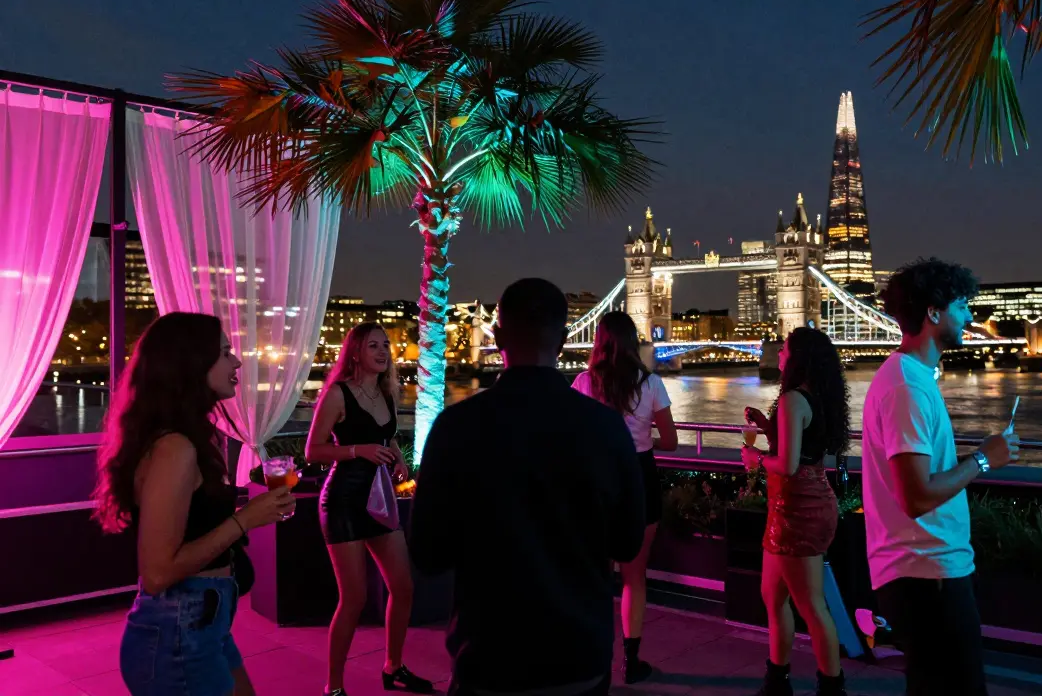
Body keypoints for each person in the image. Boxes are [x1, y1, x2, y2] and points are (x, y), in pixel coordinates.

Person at [411, 278, 645, 696]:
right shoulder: (607, 428)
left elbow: (428, 555)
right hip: (579, 657)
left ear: (497, 335)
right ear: (565, 339)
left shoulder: (454, 428)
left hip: (488, 656)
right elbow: (628, 544)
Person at [94, 312, 296, 696]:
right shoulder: (175, 448)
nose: (236, 361)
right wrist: (245, 521)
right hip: (178, 633)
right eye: (224, 353)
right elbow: (157, 573)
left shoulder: (191, 438)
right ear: (190, 364)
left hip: (204, 624)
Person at [861, 259, 1019, 696]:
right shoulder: (906, 388)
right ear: (933, 312)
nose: (970, 317)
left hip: (927, 571)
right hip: (925, 575)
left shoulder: (912, 379)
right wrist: (984, 461)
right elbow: (915, 496)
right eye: (963, 305)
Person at [306, 323, 432, 696]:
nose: (383, 352)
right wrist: (357, 451)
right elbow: (313, 450)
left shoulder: (386, 393)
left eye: (386, 346)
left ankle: (393, 667)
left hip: (378, 500)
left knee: (403, 587)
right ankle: (334, 688)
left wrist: (397, 457)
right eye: (373, 345)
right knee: (354, 599)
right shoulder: (337, 394)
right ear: (355, 352)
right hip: (343, 500)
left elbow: (386, 434)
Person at [741, 327, 851, 696]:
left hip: (797, 509)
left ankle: (832, 687)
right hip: (803, 504)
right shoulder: (816, 398)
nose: (781, 355)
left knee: (811, 605)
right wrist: (768, 426)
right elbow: (803, 448)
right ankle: (777, 679)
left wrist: (755, 458)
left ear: (798, 357)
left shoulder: (792, 399)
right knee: (772, 595)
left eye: (785, 350)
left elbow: (788, 465)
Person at [571, 312, 679, 684]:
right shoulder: (650, 384)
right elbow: (671, 442)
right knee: (634, 577)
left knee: (597, 574)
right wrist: (641, 431)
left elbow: (570, 434)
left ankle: (594, 659)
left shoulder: (584, 382)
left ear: (599, 341)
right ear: (633, 343)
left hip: (596, 479)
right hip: (639, 478)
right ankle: (631, 662)